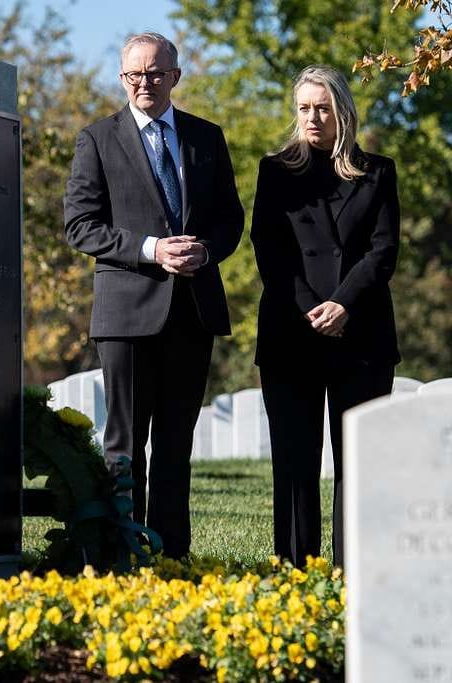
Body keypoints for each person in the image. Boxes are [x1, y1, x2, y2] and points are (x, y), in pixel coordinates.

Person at [63, 32, 244, 558]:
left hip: (193, 310)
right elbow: (80, 226)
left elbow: (230, 219)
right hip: (126, 315)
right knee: (124, 446)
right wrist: (151, 249)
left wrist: (204, 252)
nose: (144, 82)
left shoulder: (206, 138)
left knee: (175, 445)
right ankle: (121, 551)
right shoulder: (97, 139)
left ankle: (170, 556)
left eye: (156, 73)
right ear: (122, 78)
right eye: (134, 74)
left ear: (175, 77)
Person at [251, 65, 400, 567]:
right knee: (294, 464)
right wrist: (311, 307)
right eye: (303, 109)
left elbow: (383, 252)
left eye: (322, 108)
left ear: (343, 111)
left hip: (362, 335)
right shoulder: (275, 171)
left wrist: (343, 303)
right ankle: (295, 573)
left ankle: (355, 572)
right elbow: (269, 249)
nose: (312, 118)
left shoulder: (378, 172)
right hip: (291, 332)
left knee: (358, 463)